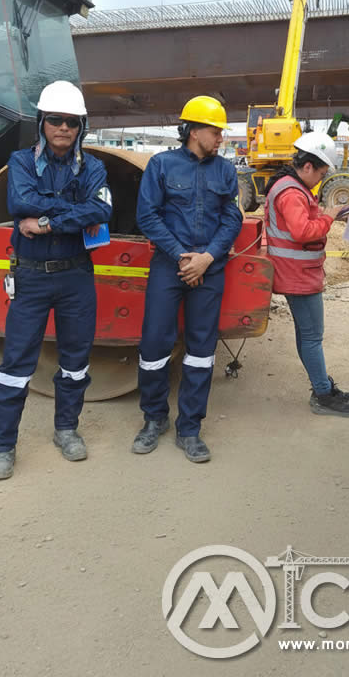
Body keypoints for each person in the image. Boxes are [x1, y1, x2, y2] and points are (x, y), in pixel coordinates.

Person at [0, 81, 113, 480]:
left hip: (76, 275)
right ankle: (2, 447)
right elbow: (18, 202)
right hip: (31, 278)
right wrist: (75, 211)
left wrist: (44, 222)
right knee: (16, 364)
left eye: (71, 122)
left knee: (75, 361)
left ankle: (66, 429)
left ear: (81, 127)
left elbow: (102, 212)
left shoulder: (93, 168)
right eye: (55, 120)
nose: (63, 128)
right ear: (43, 123)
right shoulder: (21, 162)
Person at [132, 95, 242, 463]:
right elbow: (147, 216)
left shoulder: (226, 171)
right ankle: (154, 419)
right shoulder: (161, 165)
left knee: (200, 351)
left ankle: (190, 428)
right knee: (154, 346)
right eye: (216, 131)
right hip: (169, 265)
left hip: (209, 267)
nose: (220, 138)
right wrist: (183, 257)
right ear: (194, 131)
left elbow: (232, 219)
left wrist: (207, 258)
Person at [264, 131, 349, 417]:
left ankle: (321, 387)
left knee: (307, 334)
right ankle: (322, 394)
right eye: (320, 173)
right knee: (311, 336)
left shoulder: (291, 186)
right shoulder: (292, 192)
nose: (320, 179)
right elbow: (303, 231)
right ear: (308, 166)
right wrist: (328, 216)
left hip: (298, 272)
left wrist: (326, 214)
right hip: (298, 275)